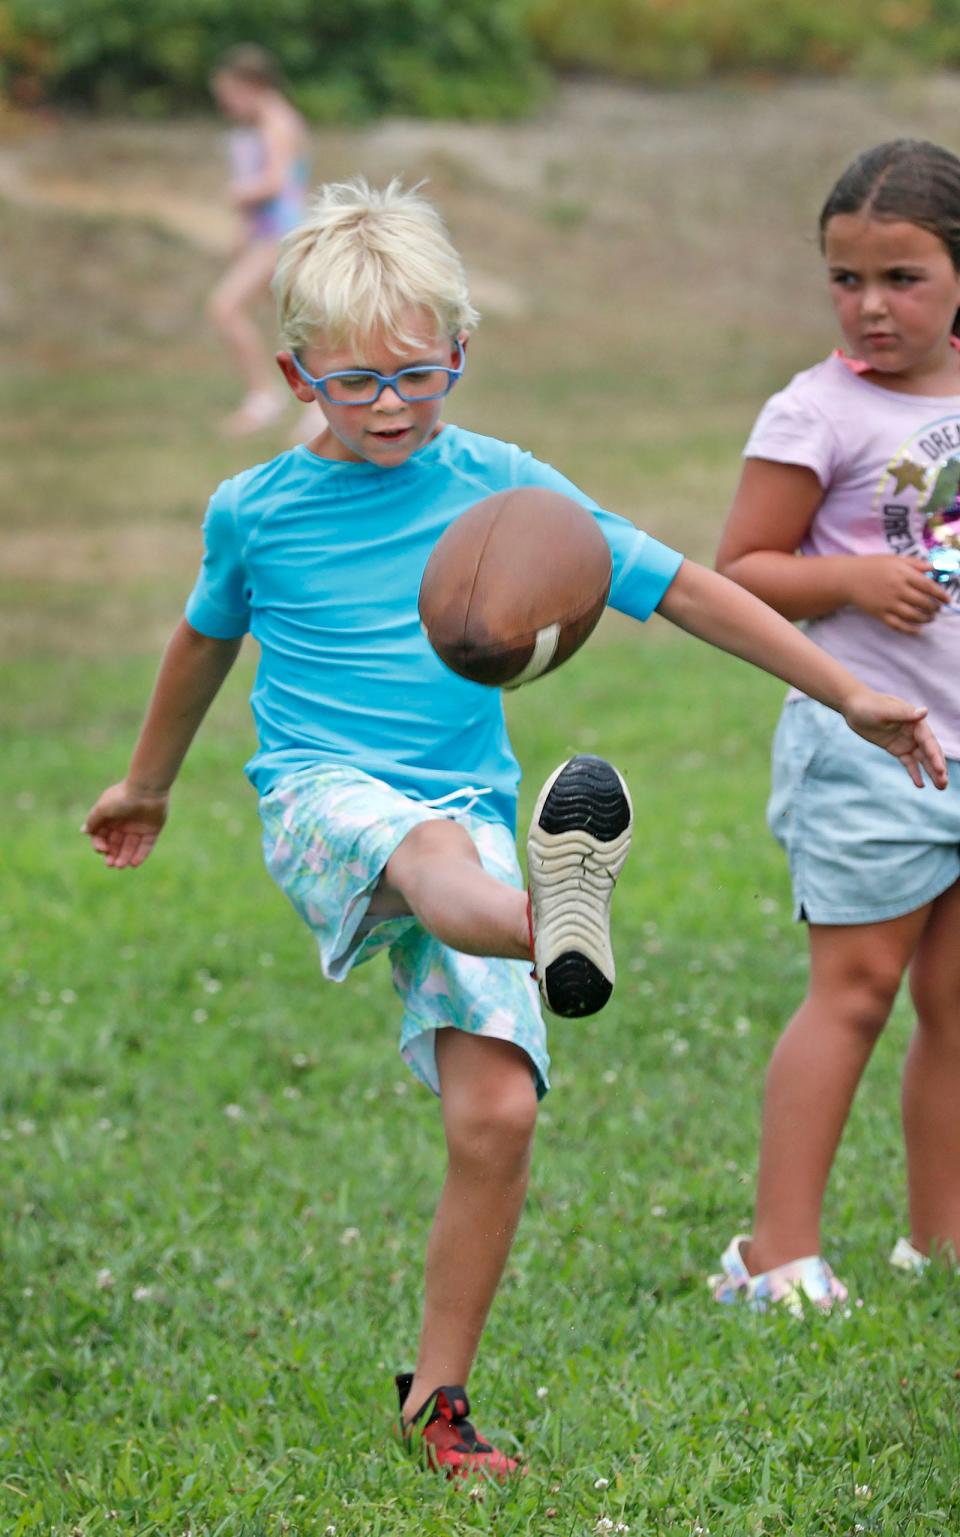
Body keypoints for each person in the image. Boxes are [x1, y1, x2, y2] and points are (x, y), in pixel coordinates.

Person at [83, 178, 945, 1476]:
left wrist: (850, 687)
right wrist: (146, 783)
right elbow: (204, 641)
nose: (386, 409)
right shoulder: (254, 508)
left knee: (497, 1116)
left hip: (468, 807)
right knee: (431, 866)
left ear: (463, 354)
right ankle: (554, 912)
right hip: (325, 795)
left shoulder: (510, 494)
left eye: (417, 378)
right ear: (293, 371)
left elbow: (688, 590)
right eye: (351, 384)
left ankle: (441, 1402)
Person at [711, 138, 960, 1315]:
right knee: (854, 989)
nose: (871, 307)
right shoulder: (814, 410)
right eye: (847, 279)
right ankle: (776, 1253)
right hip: (867, 752)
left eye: (902, 278)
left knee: (957, 1002)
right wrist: (854, 580)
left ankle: (940, 1241)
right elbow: (742, 567)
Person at [207, 44, 319, 438]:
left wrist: (239, 192)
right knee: (297, 326)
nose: (228, 106)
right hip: (268, 235)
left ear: (251, 85)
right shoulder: (261, 123)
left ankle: (265, 396)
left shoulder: (277, 121)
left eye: (231, 96)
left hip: (281, 236)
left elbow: (276, 181)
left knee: (225, 306)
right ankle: (317, 402)